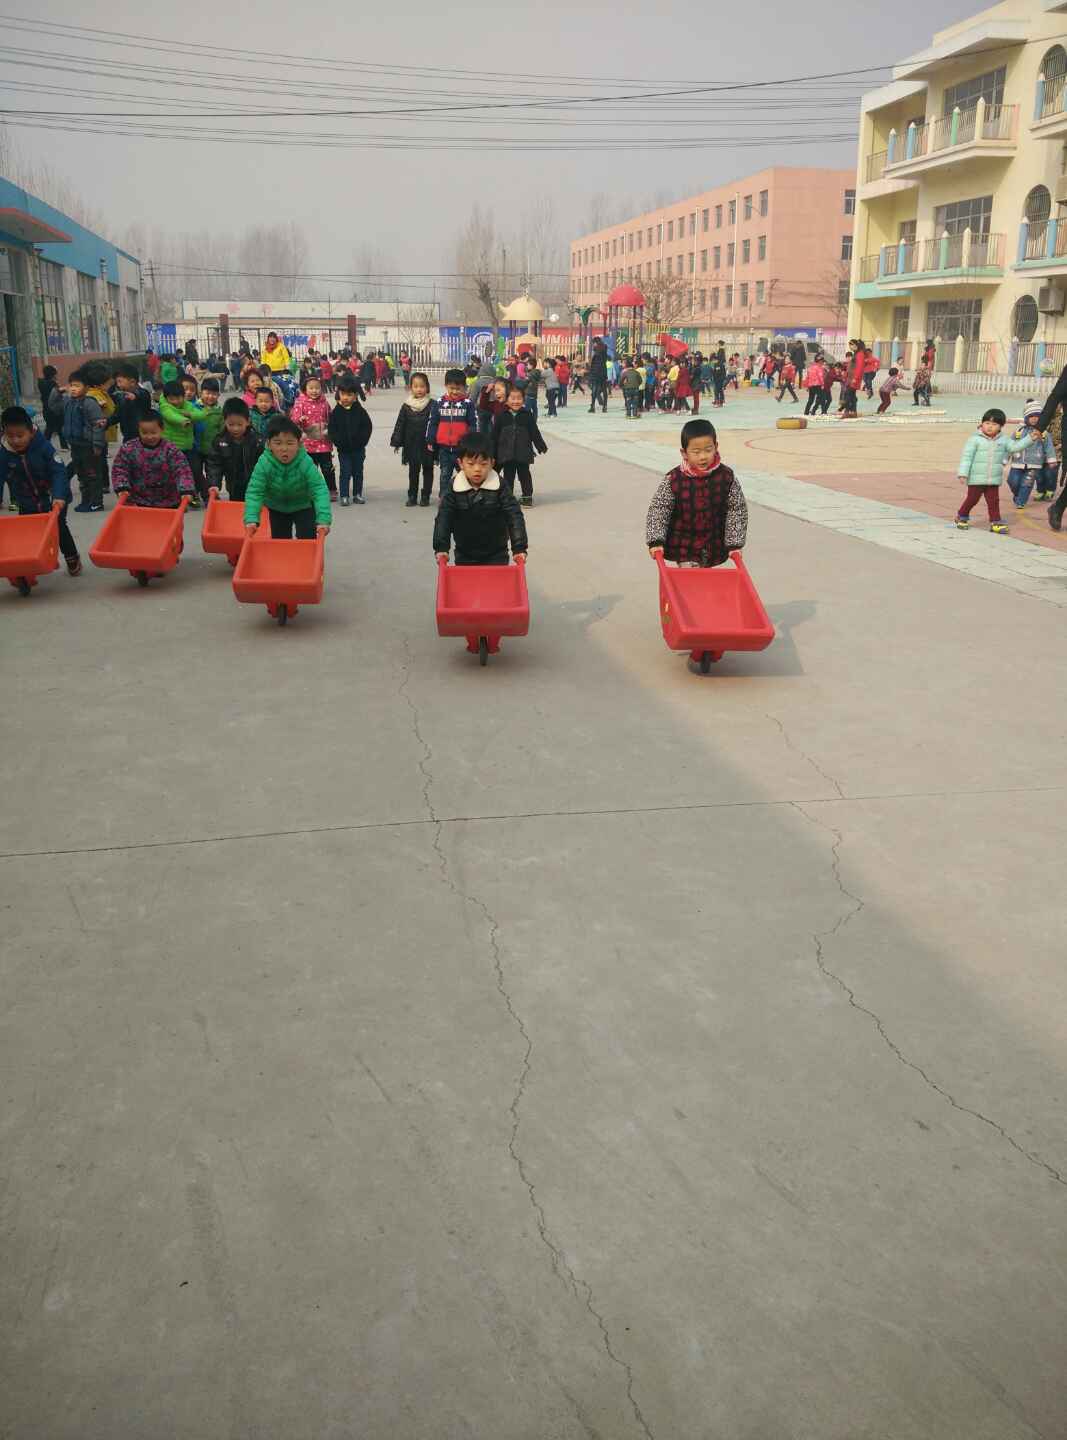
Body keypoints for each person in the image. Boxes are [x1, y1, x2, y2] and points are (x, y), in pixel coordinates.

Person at [645, 418, 748, 569]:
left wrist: (735, 543)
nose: (703, 456)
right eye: (696, 452)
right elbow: (659, 509)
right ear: (684, 453)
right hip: (685, 546)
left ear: (716, 447)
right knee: (691, 579)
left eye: (708, 450)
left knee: (706, 580)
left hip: (713, 544)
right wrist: (655, 540)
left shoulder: (726, 477)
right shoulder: (674, 479)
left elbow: (736, 509)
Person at [0, 405, 82, 575]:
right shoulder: (5, 453)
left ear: (31, 432)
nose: (15, 440)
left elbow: (58, 471)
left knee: (58, 526)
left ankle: (71, 557)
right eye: (10, 436)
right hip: (26, 499)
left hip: (52, 497)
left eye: (20, 435)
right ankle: (29, 562)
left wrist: (58, 496)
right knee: (28, 532)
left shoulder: (43, 447)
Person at [433, 432, 528, 567]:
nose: (477, 469)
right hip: (465, 553)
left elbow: (514, 515)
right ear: (460, 463)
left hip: (497, 553)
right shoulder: (454, 488)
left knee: (496, 581)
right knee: (467, 581)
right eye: (471, 464)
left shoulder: (500, 486)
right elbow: (444, 517)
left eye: (483, 464)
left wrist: (519, 547)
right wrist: (441, 547)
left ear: (492, 463)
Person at [243, 416, 332, 540]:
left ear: (299, 444)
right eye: (278, 443)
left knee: (307, 540)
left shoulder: (304, 461)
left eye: (290, 443)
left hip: (303, 505)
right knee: (281, 542)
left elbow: (319, 489)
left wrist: (323, 519)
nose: (284, 448)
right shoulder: (264, 463)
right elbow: (255, 491)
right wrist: (251, 518)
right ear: (268, 444)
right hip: (277, 507)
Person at [954, 408, 1030, 532]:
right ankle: (962, 516)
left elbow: (1015, 447)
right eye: (987, 423)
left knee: (993, 501)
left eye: (994, 424)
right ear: (982, 423)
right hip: (976, 478)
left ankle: (995, 521)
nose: (990, 427)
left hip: (993, 478)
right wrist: (963, 473)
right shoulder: (975, 439)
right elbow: (967, 457)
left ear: (1001, 426)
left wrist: (1030, 438)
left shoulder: (1004, 440)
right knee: (972, 499)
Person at [111, 410, 195, 508]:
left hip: (169, 500)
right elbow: (120, 469)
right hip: (139, 501)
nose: (149, 437)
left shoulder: (170, 450)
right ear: (139, 430)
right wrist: (122, 487)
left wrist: (186, 490)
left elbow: (182, 470)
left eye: (153, 433)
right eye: (144, 433)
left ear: (162, 429)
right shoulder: (129, 449)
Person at [52, 368, 107, 512]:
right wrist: (57, 391)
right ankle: (86, 500)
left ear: (86, 388)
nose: (73, 389)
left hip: (89, 446)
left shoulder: (90, 403)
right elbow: (53, 405)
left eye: (77, 386)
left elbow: (98, 424)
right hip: (75, 445)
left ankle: (96, 502)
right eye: (71, 385)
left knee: (92, 474)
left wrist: (97, 445)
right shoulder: (68, 402)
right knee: (82, 475)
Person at [491, 384, 548, 506]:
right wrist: (491, 450)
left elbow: (534, 432)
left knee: (524, 475)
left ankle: (527, 497)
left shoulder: (527, 415)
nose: (516, 401)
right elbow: (495, 434)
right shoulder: (501, 415)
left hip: (523, 452)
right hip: (506, 453)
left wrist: (540, 445)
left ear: (523, 399)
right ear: (507, 399)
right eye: (513, 398)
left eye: (519, 398)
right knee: (508, 476)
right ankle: (508, 498)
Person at [427, 368, 478, 498]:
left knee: (464, 474)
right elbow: (433, 422)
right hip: (444, 449)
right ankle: (444, 497)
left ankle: (466, 497)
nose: (455, 391)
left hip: (462, 449)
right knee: (445, 474)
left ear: (464, 387)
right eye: (452, 388)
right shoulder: (439, 403)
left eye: (458, 388)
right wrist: (430, 439)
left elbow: (473, 423)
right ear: (446, 386)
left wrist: (471, 441)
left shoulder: (468, 404)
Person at [389, 371, 434, 506]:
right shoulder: (406, 405)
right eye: (416, 386)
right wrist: (397, 441)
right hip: (412, 444)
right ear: (411, 388)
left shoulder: (433, 404)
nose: (419, 389)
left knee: (428, 470)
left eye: (422, 386)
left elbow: (436, 424)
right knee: (413, 471)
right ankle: (412, 496)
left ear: (427, 387)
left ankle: (425, 496)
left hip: (427, 444)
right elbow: (400, 424)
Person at [328, 374, 373, 506]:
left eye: (349, 395)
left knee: (358, 472)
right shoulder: (336, 412)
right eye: (343, 394)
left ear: (355, 396)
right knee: (345, 472)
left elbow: (367, 427)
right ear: (338, 394)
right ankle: (344, 495)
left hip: (358, 449)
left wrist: (362, 441)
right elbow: (332, 429)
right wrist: (338, 441)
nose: (345, 397)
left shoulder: (360, 411)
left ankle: (357, 494)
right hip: (344, 450)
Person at [206, 398, 262, 502]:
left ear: (248, 422)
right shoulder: (220, 441)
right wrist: (214, 484)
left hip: (255, 486)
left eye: (240, 424)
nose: (235, 429)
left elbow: (264, 464)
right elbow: (214, 464)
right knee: (236, 508)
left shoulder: (257, 441)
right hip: (233, 486)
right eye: (231, 424)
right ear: (225, 421)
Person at [290, 375, 337, 501]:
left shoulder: (324, 403)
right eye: (311, 388)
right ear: (305, 389)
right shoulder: (300, 403)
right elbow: (293, 419)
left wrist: (331, 430)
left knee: (328, 469)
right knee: (309, 470)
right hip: (308, 444)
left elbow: (330, 417)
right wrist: (299, 419)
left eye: (317, 388)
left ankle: (332, 489)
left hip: (324, 443)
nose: (314, 391)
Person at [159, 379, 204, 507]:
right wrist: (183, 420)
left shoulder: (187, 405)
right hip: (171, 449)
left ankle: (193, 495)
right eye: (172, 399)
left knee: (194, 471)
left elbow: (201, 415)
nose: (176, 401)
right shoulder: (165, 407)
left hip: (188, 447)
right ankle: (174, 498)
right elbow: (171, 416)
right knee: (173, 474)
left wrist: (189, 414)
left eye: (179, 398)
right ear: (166, 398)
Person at [1006, 403, 1057, 508]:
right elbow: (1010, 446)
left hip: (1034, 463)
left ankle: (1021, 502)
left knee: (1027, 483)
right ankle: (1017, 495)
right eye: (1031, 416)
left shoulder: (1044, 433)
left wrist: (1051, 460)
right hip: (1017, 462)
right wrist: (1005, 459)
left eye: (1037, 416)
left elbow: (1049, 447)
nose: (1034, 419)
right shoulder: (1018, 432)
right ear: (1026, 417)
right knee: (1013, 481)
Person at [193, 378, 225, 503]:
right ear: (201, 393)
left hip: (213, 450)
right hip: (196, 448)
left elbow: (222, 430)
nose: (210, 396)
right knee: (196, 472)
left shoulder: (219, 412)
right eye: (207, 393)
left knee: (212, 473)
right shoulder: (194, 408)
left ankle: (210, 496)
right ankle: (196, 493)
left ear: (218, 395)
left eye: (214, 394)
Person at [111, 361, 153, 441]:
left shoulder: (143, 393)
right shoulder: (121, 397)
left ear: (132, 382)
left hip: (143, 436)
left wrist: (135, 396)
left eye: (120, 381)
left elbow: (143, 396)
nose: (118, 385)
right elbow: (117, 415)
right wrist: (107, 422)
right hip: (127, 436)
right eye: (117, 382)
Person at [37, 365, 64, 451]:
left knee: (50, 427)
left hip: (46, 408)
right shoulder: (52, 384)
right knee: (57, 427)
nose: (56, 375)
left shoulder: (41, 383)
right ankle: (62, 446)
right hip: (54, 408)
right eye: (55, 373)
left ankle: (45, 445)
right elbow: (58, 393)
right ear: (52, 374)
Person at [588, 341, 608, 413]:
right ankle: (605, 406)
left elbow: (593, 366)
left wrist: (591, 375)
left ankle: (592, 406)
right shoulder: (604, 354)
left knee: (594, 389)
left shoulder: (596, 355)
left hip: (596, 374)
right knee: (604, 389)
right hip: (603, 373)